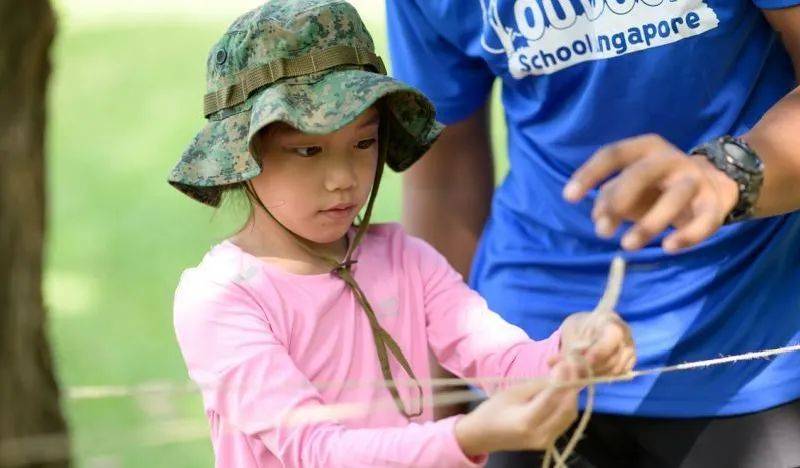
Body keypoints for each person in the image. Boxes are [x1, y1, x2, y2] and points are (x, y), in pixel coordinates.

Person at [166, 1, 635, 467]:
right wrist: (464, 435)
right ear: (242, 158)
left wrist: (569, 351)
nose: (343, 178)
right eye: (308, 149)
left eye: (364, 142)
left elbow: (503, 360)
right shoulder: (222, 298)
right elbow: (316, 451)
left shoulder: (408, 258)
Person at [387, 0, 800, 466]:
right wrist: (435, 429)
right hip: (530, 360)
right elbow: (444, 184)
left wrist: (727, 176)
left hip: (747, 351)